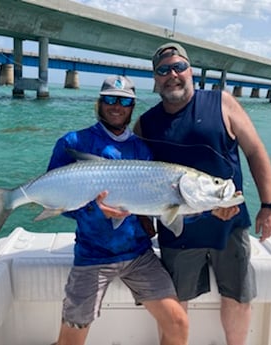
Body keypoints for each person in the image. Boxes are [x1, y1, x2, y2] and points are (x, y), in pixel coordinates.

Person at [133, 43, 271, 345]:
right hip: (177, 228)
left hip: (229, 223)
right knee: (177, 300)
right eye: (163, 70)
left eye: (179, 67)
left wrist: (269, 204)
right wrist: (140, 218)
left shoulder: (222, 103)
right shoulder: (145, 124)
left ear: (191, 71)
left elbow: (255, 151)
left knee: (238, 296)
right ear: (155, 79)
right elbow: (136, 179)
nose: (172, 75)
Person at [47, 75, 188, 345]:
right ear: (100, 103)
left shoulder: (141, 149)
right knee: (71, 340)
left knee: (178, 323)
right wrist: (96, 212)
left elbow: (156, 201)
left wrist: (205, 208)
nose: (116, 105)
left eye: (124, 100)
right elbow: (58, 201)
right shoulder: (74, 142)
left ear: (132, 106)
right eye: (110, 99)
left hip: (138, 255)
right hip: (93, 256)